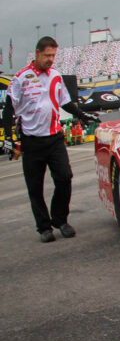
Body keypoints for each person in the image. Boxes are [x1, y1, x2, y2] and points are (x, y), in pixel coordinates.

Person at [2, 37, 99, 242]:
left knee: (64, 178)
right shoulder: (21, 78)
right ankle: (44, 227)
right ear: (37, 53)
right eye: (47, 55)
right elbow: (9, 108)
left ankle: (60, 220)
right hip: (31, 140)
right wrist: (9, 137)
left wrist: (82, 115)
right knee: (35, 186)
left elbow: (66, 103)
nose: (50, 59)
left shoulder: (55, 75)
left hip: (54, 138)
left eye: (53, 55)